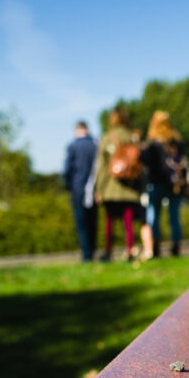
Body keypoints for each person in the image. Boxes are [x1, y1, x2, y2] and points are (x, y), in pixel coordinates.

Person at [94, 107, 144, 262]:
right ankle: (130, 250)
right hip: (130, 187)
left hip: (111, 186)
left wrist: (99, 189)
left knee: (109, 221)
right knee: (128, 222)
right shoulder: (133, 137)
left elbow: (102, 167)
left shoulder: (108, 137)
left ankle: (108, 251)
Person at [142, 111, 187, 258]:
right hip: (174, 184)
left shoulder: (153, 143)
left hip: (156, 183)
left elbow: (146, 163)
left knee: (154, 216)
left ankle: (156, 246)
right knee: (174, 217)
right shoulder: (177, 141)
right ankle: (176, 246)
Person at [63, 120, 97, 262]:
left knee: (81, 223)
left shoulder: (73, 146)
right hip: (94, 189)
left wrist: (68, 186)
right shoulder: (96, 145)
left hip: (78, 188)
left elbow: (67, 170)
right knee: (92, 222)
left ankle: (86, 254)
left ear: (77, 130)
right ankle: (92, 251)